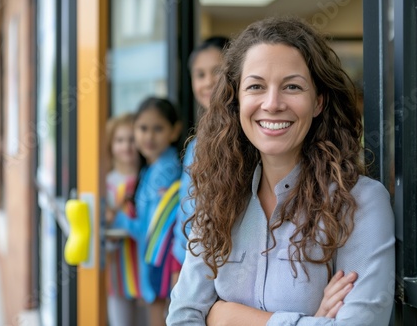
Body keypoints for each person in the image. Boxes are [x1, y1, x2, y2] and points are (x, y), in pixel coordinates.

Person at [167, 17, 395, 325]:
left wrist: (225, 315)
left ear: (318, 102)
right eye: (256, 86)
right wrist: (310, 320)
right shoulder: (217, 196)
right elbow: (182, 316)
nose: (272, 104)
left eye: (292, 86)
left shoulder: (359, 202)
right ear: (237, 101)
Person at [114, 97, 182, 326]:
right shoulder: (153, 169)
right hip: (157, 261)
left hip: (161, 262)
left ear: (175, 132)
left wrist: (116, 217)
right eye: (143, 128)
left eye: (158, 128)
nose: (149, 136)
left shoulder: (165, 172)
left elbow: (148, 229)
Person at [171, 36, 229, 276]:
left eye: (217, 71)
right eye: (200, 74)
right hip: (184, 256)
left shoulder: (245, 135)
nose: (208, 82)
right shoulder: (196, 140)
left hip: (215, 264)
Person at [104, 113, 146, 326]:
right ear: (111, 144)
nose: (126, 146)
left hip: (146, 270)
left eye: (131, 139)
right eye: (120, 140)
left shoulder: (148, 179)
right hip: (118, 271)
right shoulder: (105, 184)